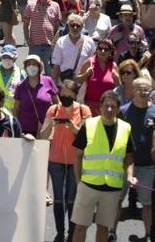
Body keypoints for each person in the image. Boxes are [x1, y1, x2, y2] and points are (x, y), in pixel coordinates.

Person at [71, 91, 136, 242]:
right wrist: (78, 182)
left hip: (111, 189)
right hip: (87, 186)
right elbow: (78, 156)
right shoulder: (89, 125)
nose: (109, 109)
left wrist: (130, 175)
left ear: (118, 109)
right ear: (99, 107)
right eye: (106, 106)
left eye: (113, 106)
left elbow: (129, 158)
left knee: (103, 229)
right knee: (80, 227)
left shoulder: (126, 128)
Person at [39, 80, 92, 242]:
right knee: (58, 200)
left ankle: (71, 233)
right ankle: (60, 232)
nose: (65, 98)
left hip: (75, 161)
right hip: (55, 160)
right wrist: (52, 125)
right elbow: (42, 135)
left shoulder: (83, 111)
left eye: (69, 95)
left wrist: (71, 126)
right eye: (62, 95)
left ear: (75, 95)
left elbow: (87, 136)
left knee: (71, 199)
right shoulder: (53, 109)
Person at [117, 78, 155, 241]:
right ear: (132, 90)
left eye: (146, 89)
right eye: (139, 88)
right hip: (123, 164)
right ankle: (112, 232)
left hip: (147, 166)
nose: (143, 91)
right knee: (117, 201)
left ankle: (148, 234)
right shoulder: (123, 111)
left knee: (146, 204)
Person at [23, 0, 62, 76]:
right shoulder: (30, 6)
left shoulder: (55, 5)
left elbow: (58, 26)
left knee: (51, 73)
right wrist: (28, 40)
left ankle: (50, 90)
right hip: (34, 45)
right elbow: (25, 25)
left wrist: (54, 42)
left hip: (50, 46)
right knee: (32, 72)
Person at [14, 54, 57, 137]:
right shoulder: (20, 86)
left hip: (46, 128)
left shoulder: (48, 81)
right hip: (25, 130)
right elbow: (16, 109)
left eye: (34, 64)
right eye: (28, 64)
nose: (31, 67)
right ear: (25, 68)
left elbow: (57, 104)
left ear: (39, 67)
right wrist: (16, 129)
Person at [76, 39, 119, 116]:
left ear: (110, 52)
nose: (102, 51)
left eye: (106, 49)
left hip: (107, 107)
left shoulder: (113, 66)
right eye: (100, 48)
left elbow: (118, 87)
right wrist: (86, 74)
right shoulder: (90, 62)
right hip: (90, 106)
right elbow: (77, 80)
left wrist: (117, 78)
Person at [52, 13, 97, 86]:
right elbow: (56, 64)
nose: (75, 28)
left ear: (82, 27)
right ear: (68, 26)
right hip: (65, 83)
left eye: (78, 25)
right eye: (72, 25)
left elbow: (93, 62)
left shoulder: (89, 41)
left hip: (83, 83)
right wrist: (54, 82)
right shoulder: (60, 41)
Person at [0, 44, 24, 113]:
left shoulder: (21, 73)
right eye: (4, 57)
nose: (6, 59)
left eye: (9, 57)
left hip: (13, 114)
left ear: (15, 58)